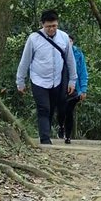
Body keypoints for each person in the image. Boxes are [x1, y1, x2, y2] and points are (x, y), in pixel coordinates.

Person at [16, 10, 77, 144]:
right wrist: (20, 81)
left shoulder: (64, 37)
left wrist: (72, 80)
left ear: (57, 24)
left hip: (57, 80)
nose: (51, 29)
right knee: (43, 108)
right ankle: (44, 139)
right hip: (38, 79)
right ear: (42, 25)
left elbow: (70, 60)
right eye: (48, 26)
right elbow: (25, 61)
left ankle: (46, 133)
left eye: (54, 26)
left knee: (52, 108)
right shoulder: (33, 38)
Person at [58, 34, 88, 144]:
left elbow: (82, 72)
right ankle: (61, 126)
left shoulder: (78, 54)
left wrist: (83, 90)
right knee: (61, 111)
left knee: (69, 111)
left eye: (70, 41)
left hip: (75, 88)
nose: (68, 43)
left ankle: (68, 136)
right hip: (60, 87)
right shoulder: (58, 52)